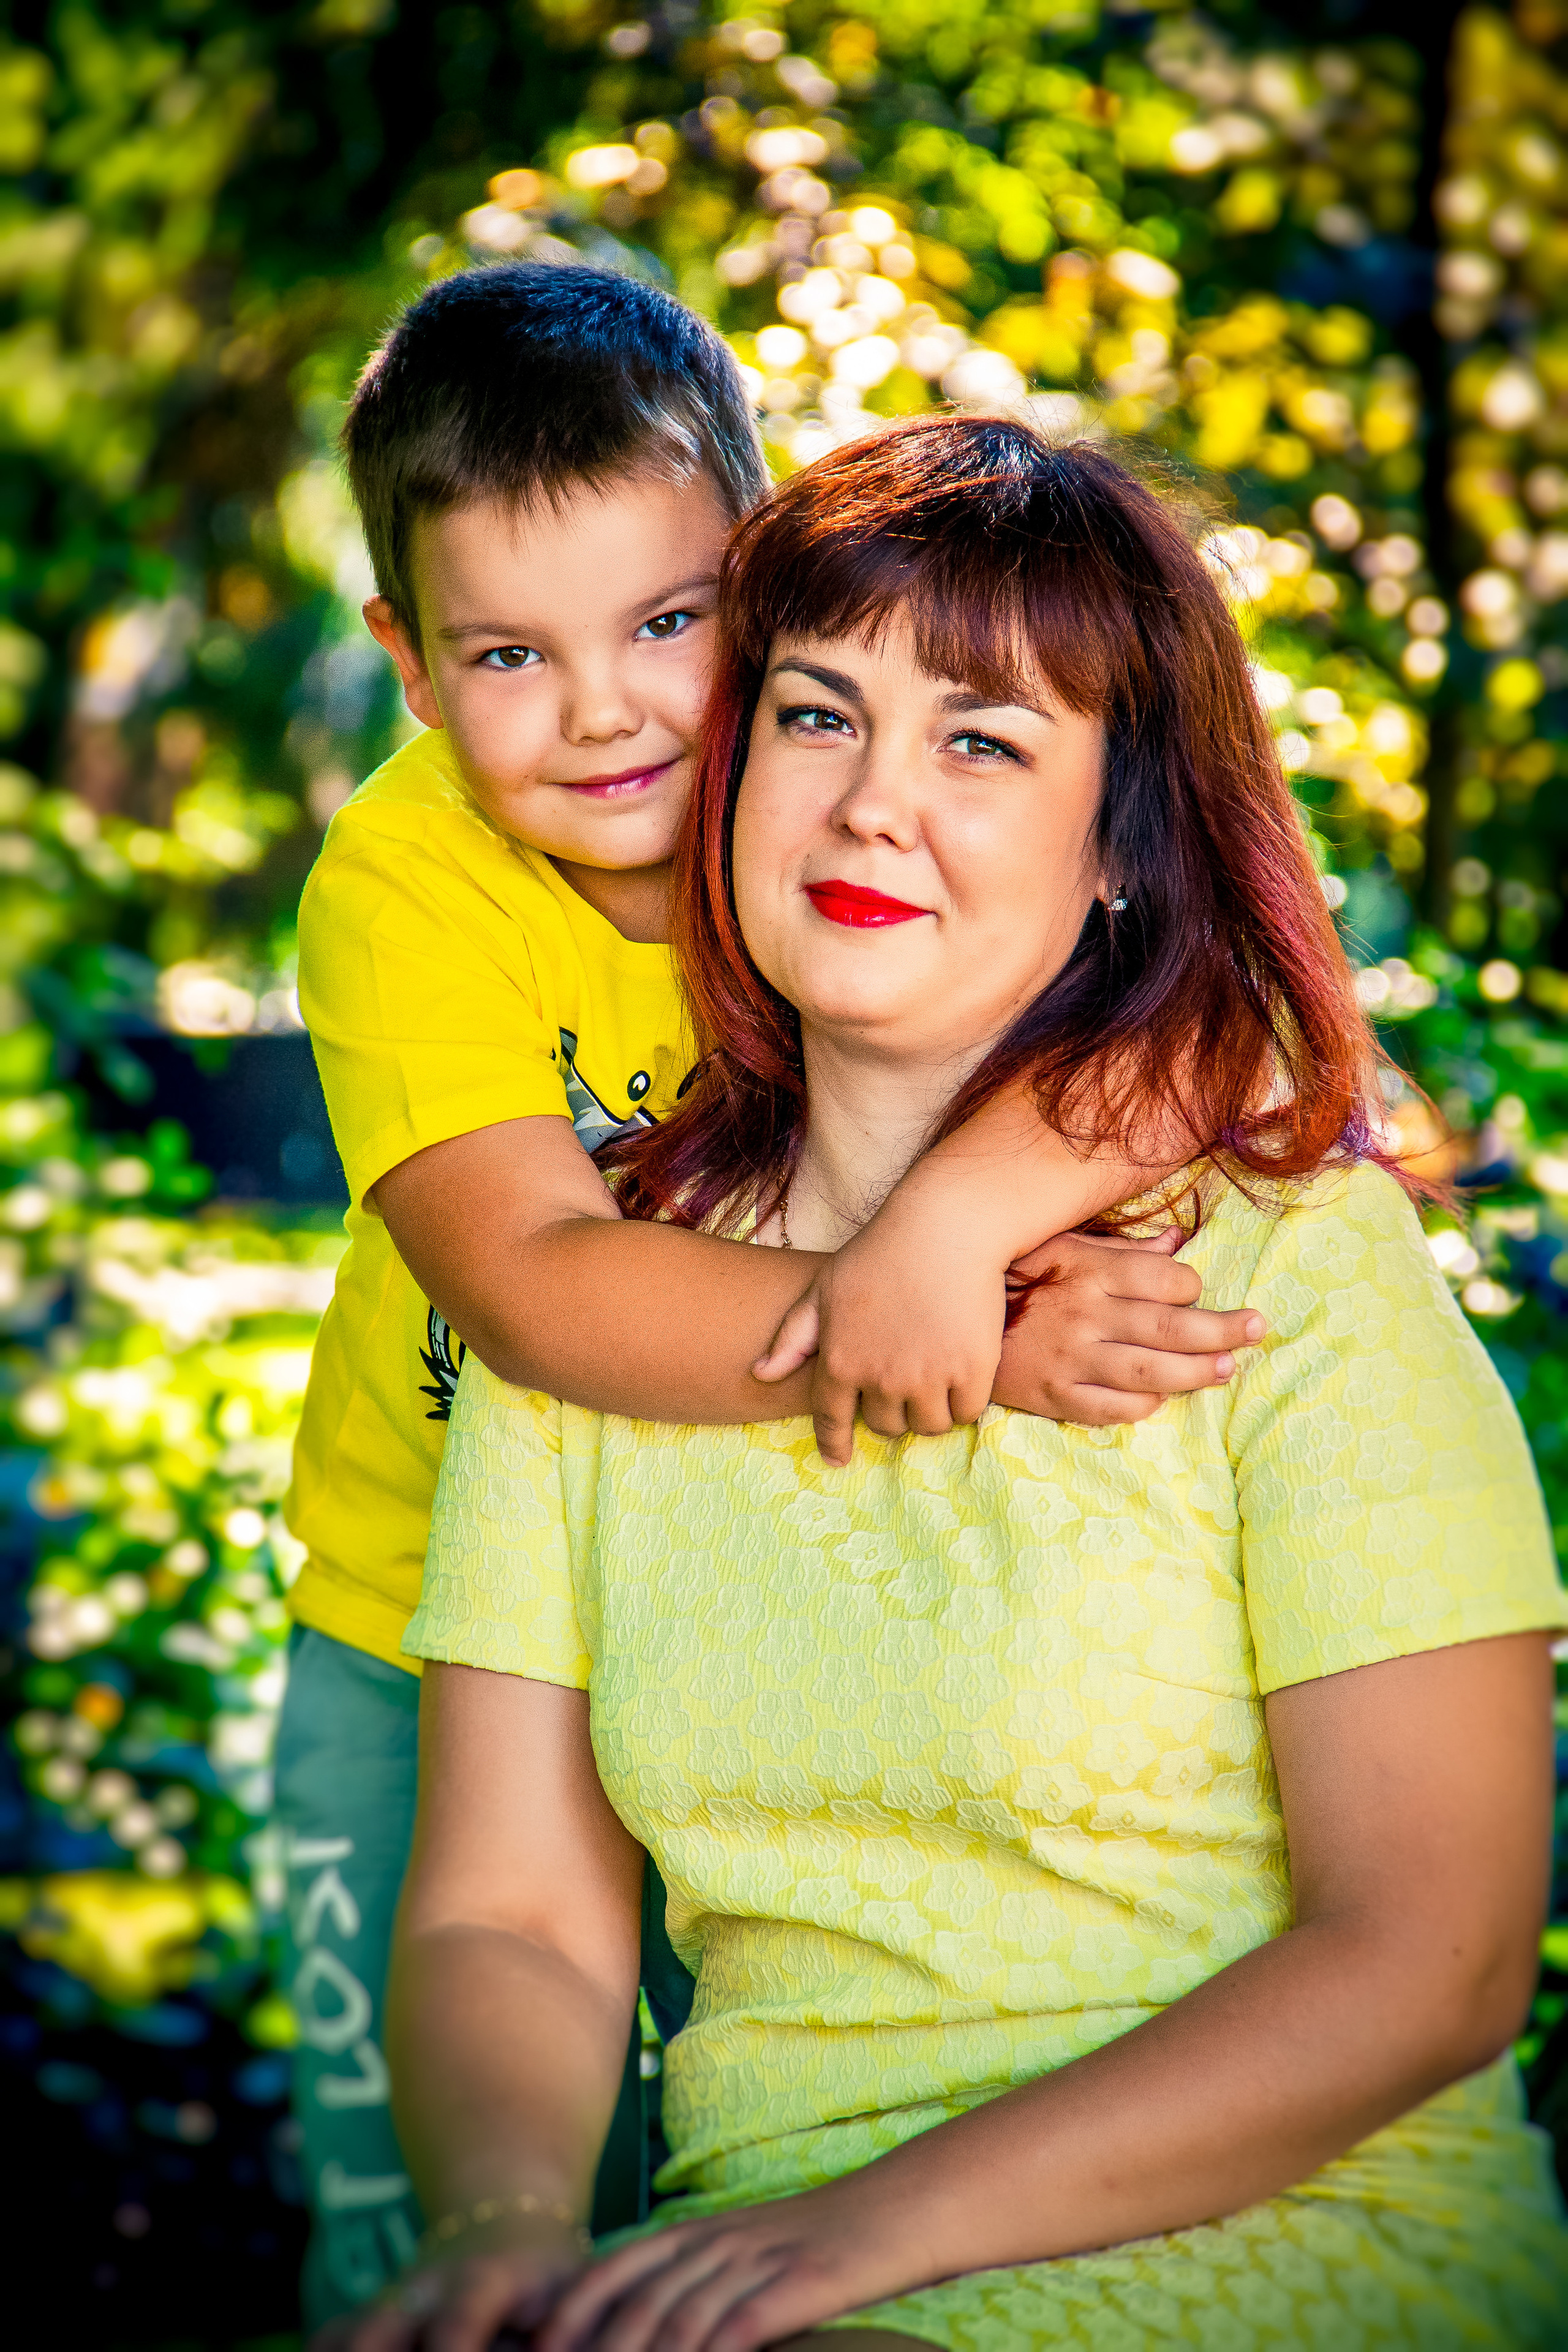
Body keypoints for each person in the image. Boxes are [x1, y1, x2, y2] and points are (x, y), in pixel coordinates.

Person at [361, 418, 1566, 2351]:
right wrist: (500, 2229)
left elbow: (1431, 1958)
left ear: (1119, 850)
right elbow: (511, 1914)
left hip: (1303, 2240)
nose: (869, 808)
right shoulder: (609, 1305)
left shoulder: (1287, 1274)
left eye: (982, 743)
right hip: (756, 2278)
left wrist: (864, 2243)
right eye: (820, 717)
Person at [276, 272, 1260, 2321]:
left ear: (763, 576)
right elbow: (544, 1290)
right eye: (507, 657)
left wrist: (950, 1223)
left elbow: (1212, 1023)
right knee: (455, 2227)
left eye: (665, 622)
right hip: (423, 1626)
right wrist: (957, 1329)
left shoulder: (834, 789)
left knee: (746, 2149)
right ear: (407, 664)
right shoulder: (411, 886)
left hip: (743, 1604)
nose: (612, 711)